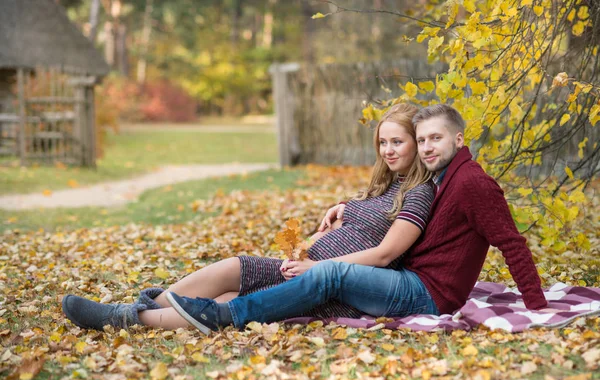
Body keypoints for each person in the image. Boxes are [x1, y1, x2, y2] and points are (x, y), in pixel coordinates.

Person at [165, 104, 549, 334]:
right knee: (243, 273)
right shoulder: (444, 177)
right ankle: (143, 310)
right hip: (407, 279)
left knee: (327, 275)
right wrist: (346, 206)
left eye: (436, 139)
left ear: (459, 140)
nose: (429, 147)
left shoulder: (471, 183)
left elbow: (510, 242)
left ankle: (222, 316)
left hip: (428, 293)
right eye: (425, 139)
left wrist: (536, 305)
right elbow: (389, 207)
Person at [62, 103, 436, 331]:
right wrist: (314, 240)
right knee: (230, 279)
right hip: (306, 267)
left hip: (330, 286)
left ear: (416, 144)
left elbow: (385, 255)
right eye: (382, 142)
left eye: (397, 142)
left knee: (230, 285)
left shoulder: (418, 193)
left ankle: (126, 317)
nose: (388, 150)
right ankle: (132, 312)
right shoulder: (385, 184)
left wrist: (315, 268)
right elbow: (352, 226)